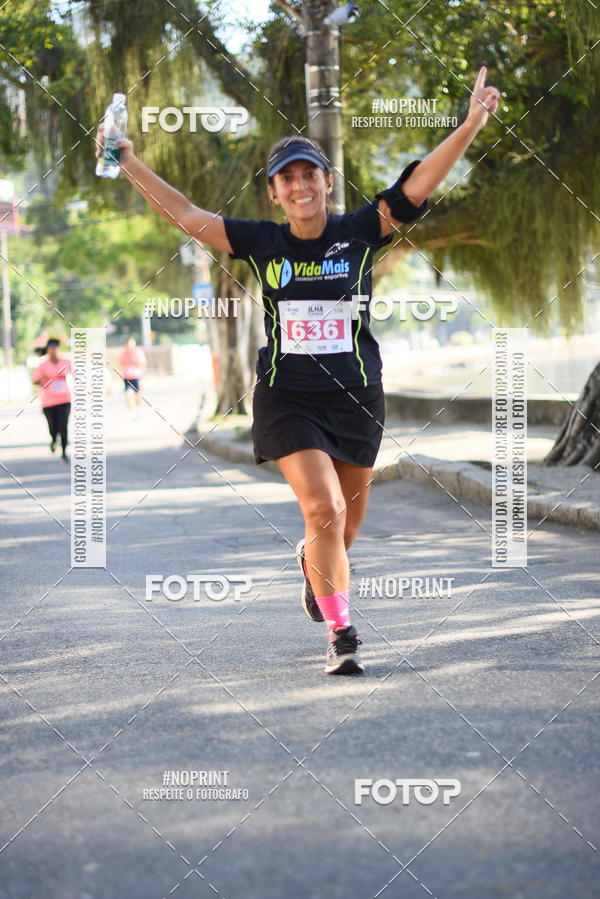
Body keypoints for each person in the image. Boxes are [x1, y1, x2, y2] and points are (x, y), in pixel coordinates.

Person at [96, 66, 500, 675]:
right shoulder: (261, 241)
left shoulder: (360, 231)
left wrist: (471, 123)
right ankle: (341, 633)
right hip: (287, 398)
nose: (300, 184)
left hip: (357, 398)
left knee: (346, 526)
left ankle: (315, 569)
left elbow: (417, 185)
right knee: (324, 511)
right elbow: (185, 214)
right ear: (274, 193)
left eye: (310, 173)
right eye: (288, 178)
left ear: (327, 182)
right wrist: (127, 160)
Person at [32, 338, 72, 463]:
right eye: (51, 348)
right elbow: (35, 380)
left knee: (63, 425)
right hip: (48, 402)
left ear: (58, 349)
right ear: (48, 350)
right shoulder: (43, 365)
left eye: (55, 348)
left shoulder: (66, 362)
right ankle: (54, 439)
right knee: (53, 427)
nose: (54, 350)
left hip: (64, 399)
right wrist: (42, 378)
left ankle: (64, 452)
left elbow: (77, 374)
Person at [118, 336, 146, 419]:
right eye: (128, 344)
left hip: (137, 376)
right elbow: (120, 363)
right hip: (127, 377)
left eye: (132, 343)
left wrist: (135, 359)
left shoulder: (138, 351)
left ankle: (138, 409)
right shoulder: (123, 353)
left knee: (138, 395)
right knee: (128, 395)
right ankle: (132, 412)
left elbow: (143, 363)